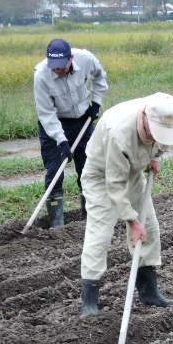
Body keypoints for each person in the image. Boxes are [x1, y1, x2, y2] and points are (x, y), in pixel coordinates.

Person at [79, 92, 173, 318]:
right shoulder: (118, 132)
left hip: (134, 173)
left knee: (150, 229)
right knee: (101, 234)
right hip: (102, 176)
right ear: (145, 118)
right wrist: (133, 221)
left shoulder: (167, 114)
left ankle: (149, 292)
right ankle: (89, 302)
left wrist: (155, 157)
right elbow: (114, 185)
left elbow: (165, 141)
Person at [34, 38, 108, 228]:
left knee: (88, 168)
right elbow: (46, 113)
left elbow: (100, 77)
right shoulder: (42, 75)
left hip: (82, 121)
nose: (57, 70)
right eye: (54, 67)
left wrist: (97, 102)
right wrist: (61, 141)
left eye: (61, 66)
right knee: (54, 170)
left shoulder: (86, 59)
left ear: (71, 58)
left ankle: (90, 218)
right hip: (54, 123)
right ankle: (57, 225)